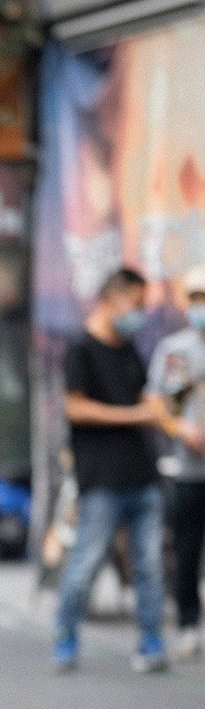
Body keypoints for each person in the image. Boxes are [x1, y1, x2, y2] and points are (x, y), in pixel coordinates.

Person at [52, 267, 167, 672]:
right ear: (111, 298)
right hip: (101, 477)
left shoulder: (128, 347)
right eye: (135, 304)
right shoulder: (81, 347)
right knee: (85, 562)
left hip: (142, 474)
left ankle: (152, 643)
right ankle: (64, 638)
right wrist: (133, 415)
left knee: (149, 566)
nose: (138, 313)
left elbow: (142, 397)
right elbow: (75, 407)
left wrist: (157, 405)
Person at [147, 263, 205, 659]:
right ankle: (188, 623)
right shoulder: (179, 352)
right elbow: (161, 404)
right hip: (189, 469)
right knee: (187, 549)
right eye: (197, 299)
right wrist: (181, 429)